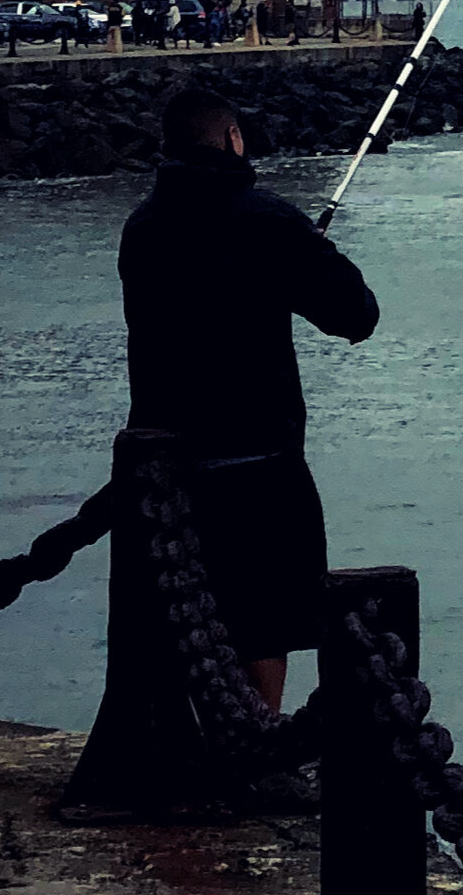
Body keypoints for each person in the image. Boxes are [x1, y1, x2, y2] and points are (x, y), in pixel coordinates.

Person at [119, 82, 380, 714]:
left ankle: (195, 744)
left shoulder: (143, 226)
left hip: (164, 465)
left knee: (186, 618)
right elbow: (355, 314)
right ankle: (255, 748)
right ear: (233, 139)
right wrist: (312, 251)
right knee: (264, 619)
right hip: (257, 456)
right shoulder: (267, 219)